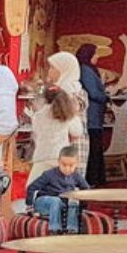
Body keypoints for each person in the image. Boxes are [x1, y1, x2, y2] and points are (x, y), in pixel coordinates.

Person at [26, 51, 87, 192]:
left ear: (63, 69)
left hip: (71, 145)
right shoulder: (61, 89)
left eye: (53, 68)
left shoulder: (71, 91)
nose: (50, 71)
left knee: (66, 183)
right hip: (62, 144)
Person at [27, 148, 92, 233]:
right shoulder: (49, 174)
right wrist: (29, 205)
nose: (67, 168)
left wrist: (83, 204)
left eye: (71, 165)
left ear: (77, 164)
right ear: (58, 162)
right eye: (64, 165)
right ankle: (54, 229)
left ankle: (72, 229)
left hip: (63, 203)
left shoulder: (76, 176)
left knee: (73, 201)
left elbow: (87, 190)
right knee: (55, 200)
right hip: (44, 203)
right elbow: (31, 187)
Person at [76, 44, 112, 186]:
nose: (97, 57)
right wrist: (105, 97)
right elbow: (94, 92)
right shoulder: (86, 71)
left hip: (94, 115)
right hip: (92, 117)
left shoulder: (89, 70)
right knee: (93, 148)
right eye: (95, 54)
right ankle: (93, 179)